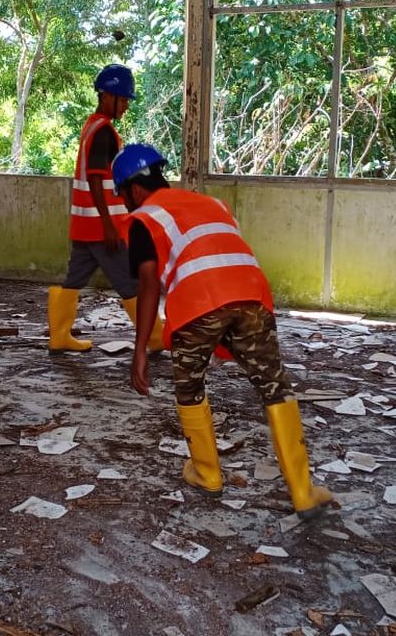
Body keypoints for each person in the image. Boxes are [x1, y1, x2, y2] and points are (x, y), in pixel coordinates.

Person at [112, 144, 335, 519]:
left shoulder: (144, 219)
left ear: (133, 190)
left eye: (122, 196)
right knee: (274, 387)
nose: (124, 204)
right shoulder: (212, 204)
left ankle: (207, 473)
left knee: (190, 386)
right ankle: (302, 491)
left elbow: (149, 285)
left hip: (199, 302)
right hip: (251, 294)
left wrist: (140, 350)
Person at [47, 63, 163, 354]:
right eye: (123, 99)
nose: (125, 106)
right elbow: (97, 180)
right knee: (130, 281)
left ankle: (59, 336)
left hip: (85, 226)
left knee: (73, 280)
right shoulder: (104, 133)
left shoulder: (91, 126)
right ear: (106, 96)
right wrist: (109, 225)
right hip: (102, 228)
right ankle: (156, 338)